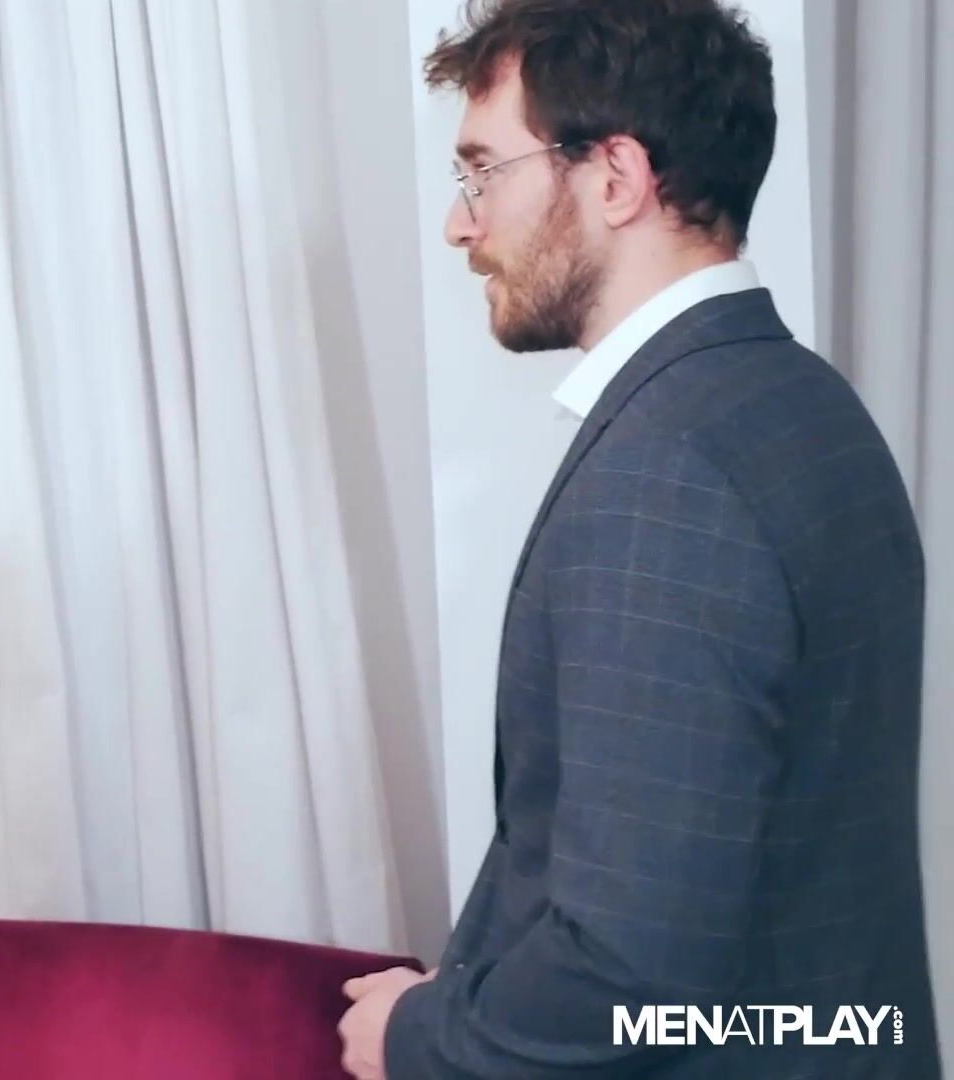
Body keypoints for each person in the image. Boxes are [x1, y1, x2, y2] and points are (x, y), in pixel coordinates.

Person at [336, 1, 939, 1076]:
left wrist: (420, 1037)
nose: (461, 227)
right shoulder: (805, 407)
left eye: (483, 172)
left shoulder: (670, 475)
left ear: (615, 177)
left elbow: (628, 969)